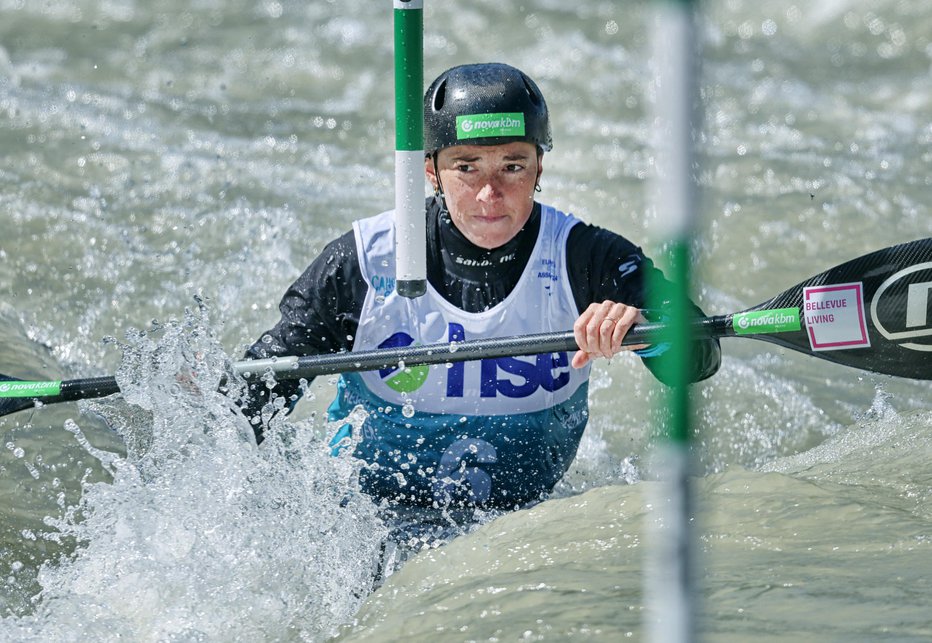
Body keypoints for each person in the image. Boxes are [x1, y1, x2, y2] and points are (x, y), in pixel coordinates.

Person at [242, 62, 720, 514]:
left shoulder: (586, 258)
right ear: (431, 171)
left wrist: (646, 330)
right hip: (369, 520)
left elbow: (700, 356)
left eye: (512, 167)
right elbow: (255, 397)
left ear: (539, 167)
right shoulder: (362, 264)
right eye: (467, 168)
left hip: (524, 520)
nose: (490, 195)